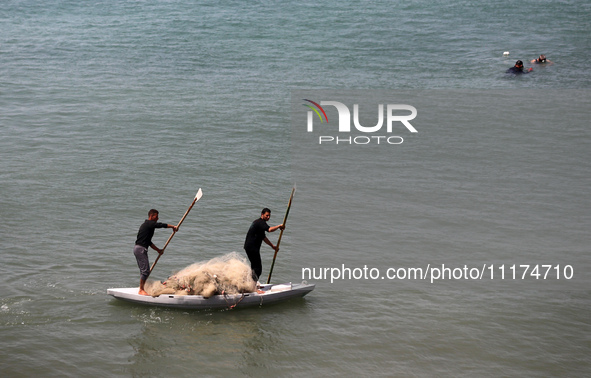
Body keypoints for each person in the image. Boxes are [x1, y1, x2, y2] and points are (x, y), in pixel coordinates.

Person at [133, 209, 178, 295]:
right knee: (145, 271)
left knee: (145, 270)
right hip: (140, 249)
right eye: (156, 216)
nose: (157, 218)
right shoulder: (149, 223)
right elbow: (160, 225)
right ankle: (141, 290)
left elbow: (148, 242)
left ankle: (142, 287)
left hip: (138, 248)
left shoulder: (146, 226)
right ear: (151, 216)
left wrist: (158, 250)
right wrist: (173, 227)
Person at [243, 208, 285, 283]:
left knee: (254, 268)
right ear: (262, 214)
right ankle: (253, 287)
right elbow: (269, 229)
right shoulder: (260, 223)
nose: (268, 217)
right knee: (258, 269)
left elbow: (263, 237)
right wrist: (279, 226)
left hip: (250, 247)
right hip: (252, 248)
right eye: (267, 215)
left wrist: (272, 246)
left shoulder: (258, 223)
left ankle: (249, 284)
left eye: (269, 216)